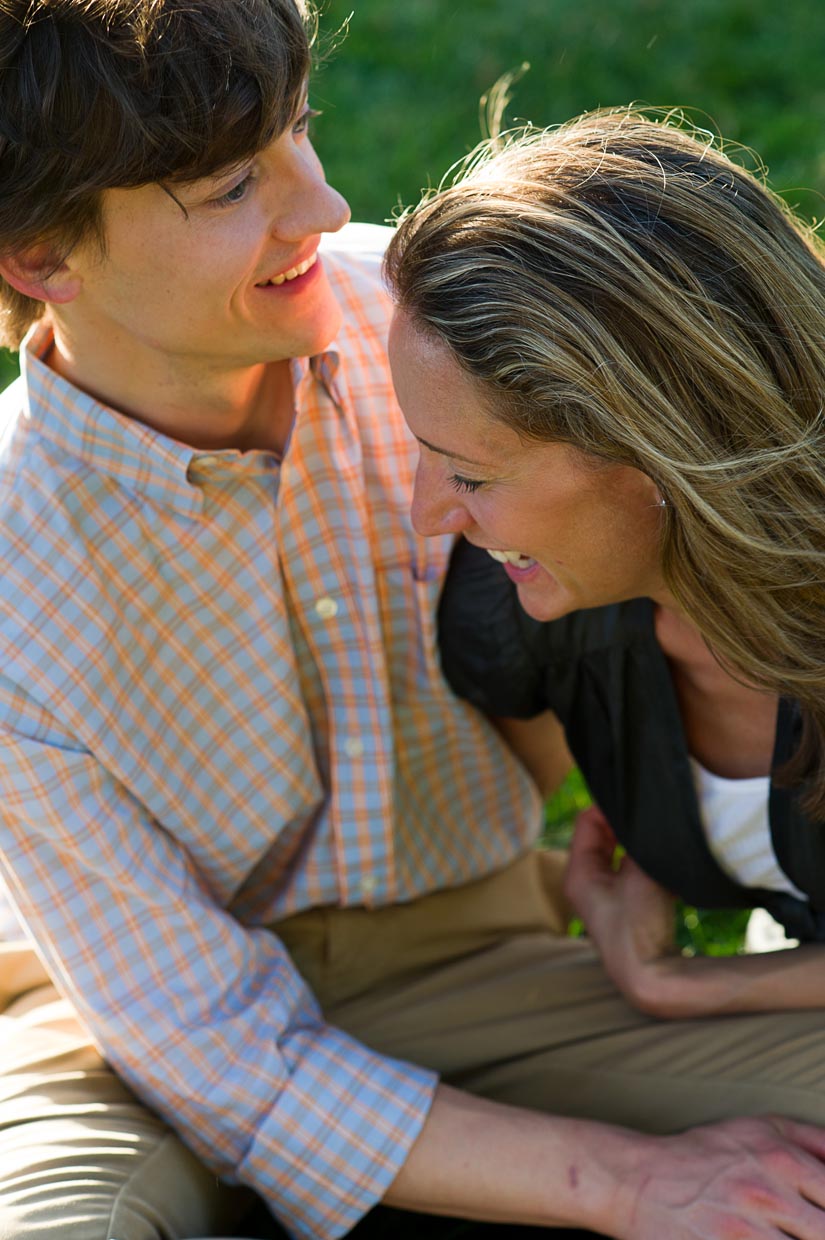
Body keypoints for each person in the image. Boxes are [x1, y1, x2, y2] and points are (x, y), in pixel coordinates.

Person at [3, 8, 825, 1236]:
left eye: (300, 134)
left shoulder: (454, 335)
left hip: (482, 964)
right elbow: (205, 1040)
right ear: (42, 259)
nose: (322, 207)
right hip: (110, 1024)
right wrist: (626, 1180)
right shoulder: (14, 565)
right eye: (234, 184)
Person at [388, 107, 825, 1017]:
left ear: (657, 461)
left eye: (468, 474)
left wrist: (679, 983)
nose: (429, 516)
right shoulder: (529, 604)